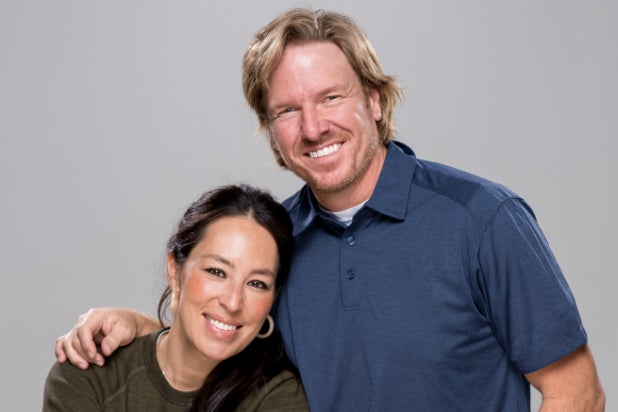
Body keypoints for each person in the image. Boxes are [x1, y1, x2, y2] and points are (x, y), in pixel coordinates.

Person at [55, 8, 605, 411]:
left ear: (374, 100)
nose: (313, 127)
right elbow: (228, 327)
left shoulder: (482, 219)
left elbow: (576, 392)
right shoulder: (275, 244)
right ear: (271, 132)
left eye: (330, 97)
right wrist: (139, 327)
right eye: (287, 110)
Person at [44, 185, 309, 411]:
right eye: (217, 272)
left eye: (256, 283)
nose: (233, 302)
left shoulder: (277, 396)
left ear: (274, 295)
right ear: (175, 270)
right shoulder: (90, 377)